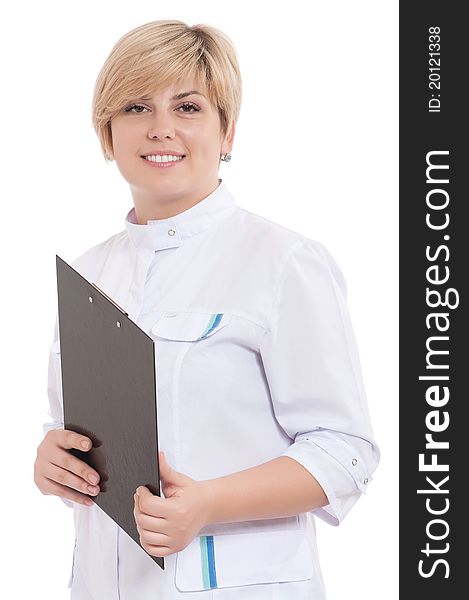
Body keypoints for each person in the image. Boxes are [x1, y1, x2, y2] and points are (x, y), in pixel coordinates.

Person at [34, 19, 380, 600]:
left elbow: (346, 452)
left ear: (227, 133)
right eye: (137, 106)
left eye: (188, 107)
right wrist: (54, 463)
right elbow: (82, 431)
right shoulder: (90, 273)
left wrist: (209, 504)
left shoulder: (283, 261)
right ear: (108, 133)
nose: (161, 129)